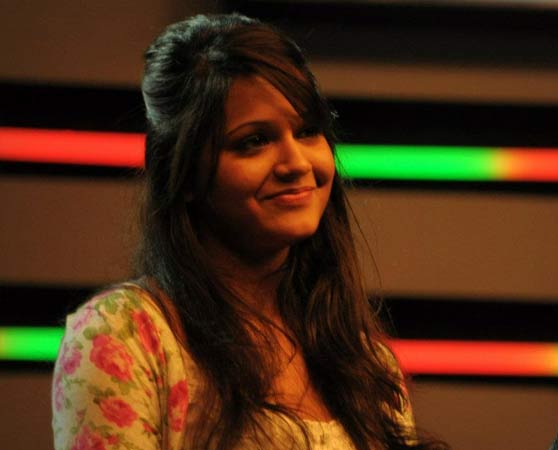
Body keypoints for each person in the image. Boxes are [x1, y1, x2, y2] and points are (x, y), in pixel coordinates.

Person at [52, 13, 446, 450]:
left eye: (308, 131)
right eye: (254, 141)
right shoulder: (122, 336)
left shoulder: (368, 364)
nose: (296, 163)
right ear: (184, 174)